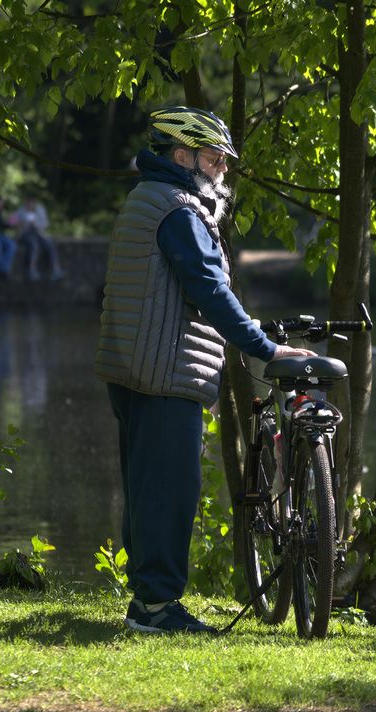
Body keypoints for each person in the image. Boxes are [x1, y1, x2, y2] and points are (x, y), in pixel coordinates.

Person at [95, 106, 314, 634]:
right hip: (163, 371)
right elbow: (209, 290)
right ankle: (157, 607)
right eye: (214, 159)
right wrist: (264, 348)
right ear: (182, 156)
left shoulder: (145, 198)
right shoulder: (179, 211)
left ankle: (147, 599)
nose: (222, 169)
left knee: (147, 488)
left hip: (132, 366)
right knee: (171, 491)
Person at [11, 195, 65, 281]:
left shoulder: (40, 210)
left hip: (38, 233)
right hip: (26, 234)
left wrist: (35, 223)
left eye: (31, 202)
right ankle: (31, 270)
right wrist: (20, 223)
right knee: (33, 246)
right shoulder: (20, 211)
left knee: (50, 244)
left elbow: (45, 224)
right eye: (28, 202)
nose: (29, 204)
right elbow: (11, 221)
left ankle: (56, 269)